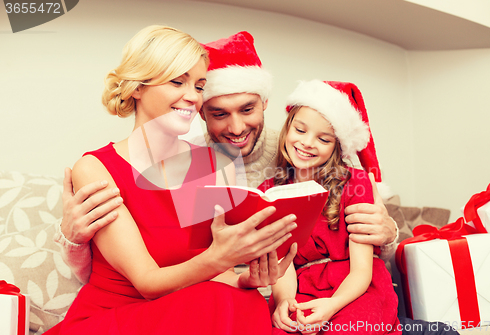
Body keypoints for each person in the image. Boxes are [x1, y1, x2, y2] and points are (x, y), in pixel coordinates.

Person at [54, 31, 398, 286]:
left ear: (265, 103)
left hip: (305, 288)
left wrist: (388, 233)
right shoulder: (191, 155)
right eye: (219, 113)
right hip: (224, 292)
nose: (236, 128)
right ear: (203, 114)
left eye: (247, 109)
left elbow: (358, 215)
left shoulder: (304, 144)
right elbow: (132, 270)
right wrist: (73, 239)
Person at [46, 25, 299, 335]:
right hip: (118, 317)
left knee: (246, 302)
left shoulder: (217, 166)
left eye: (199, 85)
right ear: (137, 87)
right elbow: (148, 282)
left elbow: (217, 277)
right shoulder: (96, 168)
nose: (192, 97)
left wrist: (246, 280)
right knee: (213, 301)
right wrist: (220, 257)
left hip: (193, 310)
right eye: (178, 82)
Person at [264, 80, 400, 335]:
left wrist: (332, 305)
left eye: (323, 139)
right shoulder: (270, 189)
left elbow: (362, 270)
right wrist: (285, 301)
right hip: (299, 288)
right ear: (288, 127)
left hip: (355, 289)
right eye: (300, 130)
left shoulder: (355, 183)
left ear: (336, 146)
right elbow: (284, 263)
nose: (307, 143)